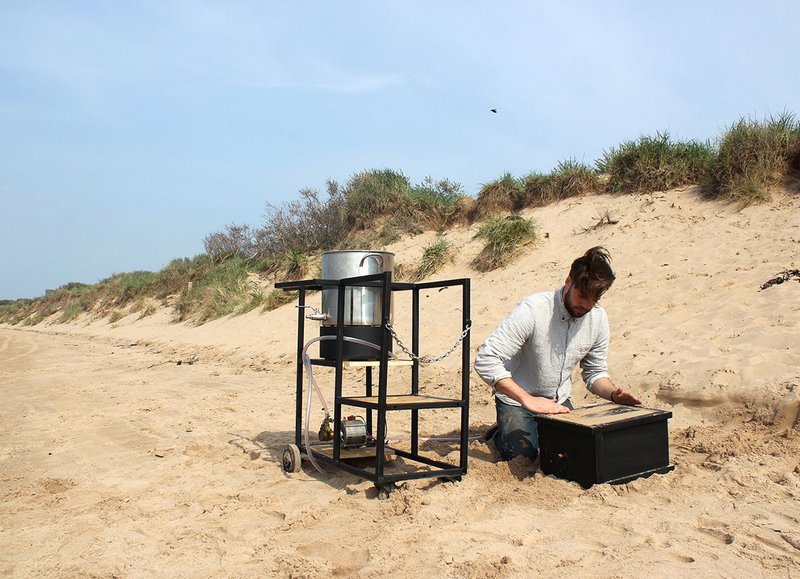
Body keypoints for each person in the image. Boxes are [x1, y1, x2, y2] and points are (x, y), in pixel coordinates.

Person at [474, 246, 641, 461]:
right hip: (517, 401)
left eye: (593, 299)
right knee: (525, 456)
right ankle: (500, 432)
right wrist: (527, 399)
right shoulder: (533, 309)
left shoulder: (598, 319)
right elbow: (486, 359)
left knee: (569, 455)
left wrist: (613, 394)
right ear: (568, 282)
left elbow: (595, 373)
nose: (586, 305)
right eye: (582, 296)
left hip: (559, 402)